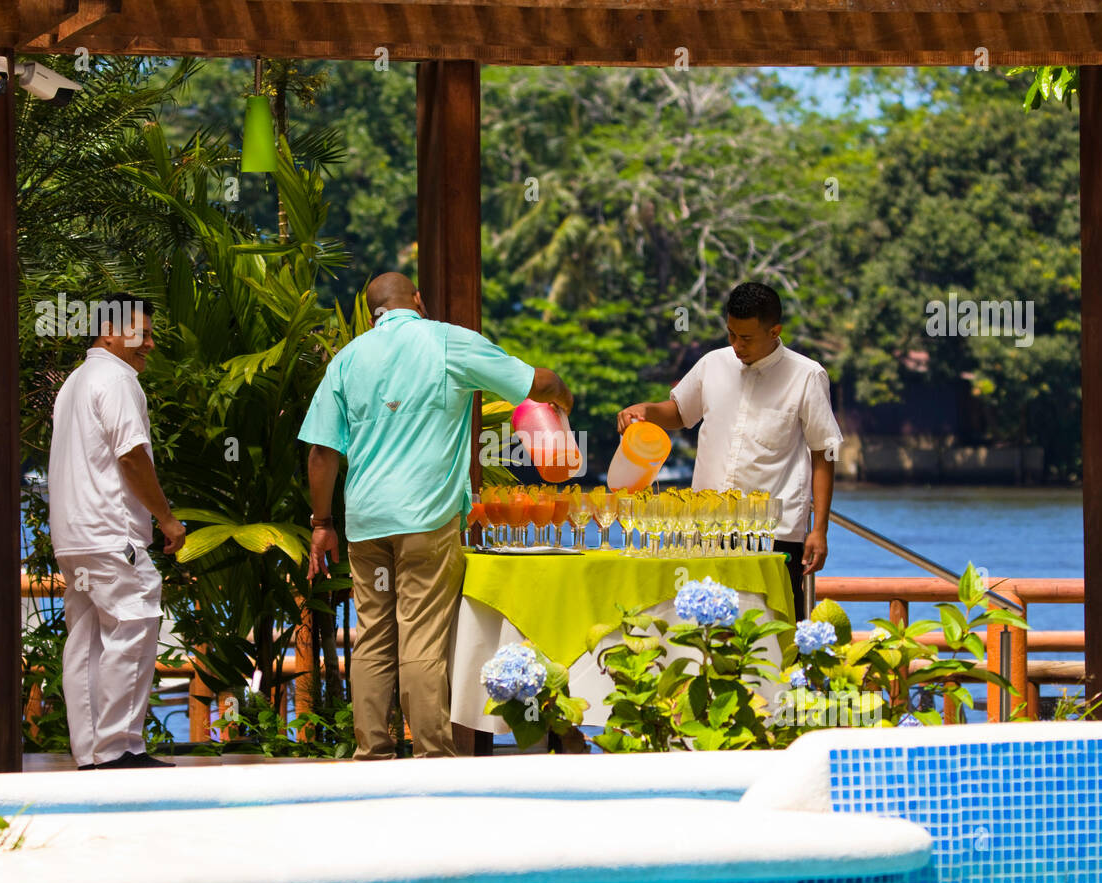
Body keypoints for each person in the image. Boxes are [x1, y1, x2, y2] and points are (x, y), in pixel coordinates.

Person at [301, 272, 572, 760]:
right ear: (419, 301)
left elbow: (321, 452)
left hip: (366, 523)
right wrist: (563, 401)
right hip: (426, 519)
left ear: (371, 314)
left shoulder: (347, 360)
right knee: (422, 636)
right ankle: (431, 757)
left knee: (373, 637)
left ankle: (373, 754)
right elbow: (539, 382)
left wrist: (322, 524)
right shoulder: (447, 341)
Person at [617, 282, 842, 620]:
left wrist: (819, 530)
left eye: (746, 338)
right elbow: (679, 413)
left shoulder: (807, 376)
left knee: (775, 633)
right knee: (702, 629)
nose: (736, 346)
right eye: (731, 334)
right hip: (706, 529)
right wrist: (648, 411)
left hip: (775, 535)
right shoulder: (712, 364)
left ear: (775, 331)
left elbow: (823, 452)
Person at [48, 294, 186, 770]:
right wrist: (166, 519)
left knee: (86, 638)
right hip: (111, 532)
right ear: (109, 333)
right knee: (134, 622)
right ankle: (121, 749)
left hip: (73, 535)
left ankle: (92, 753)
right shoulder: (117, 378)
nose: (149, 344)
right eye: (140, 334)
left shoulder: (75, 382)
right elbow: (131, 456)